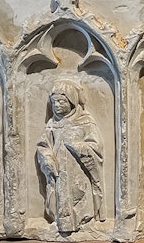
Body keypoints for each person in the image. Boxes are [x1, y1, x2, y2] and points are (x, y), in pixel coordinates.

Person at [36, 80, 105, 233]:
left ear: (72, 101)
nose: (57, 105)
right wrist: (47, 158)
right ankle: (62, 224)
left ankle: (84, 223)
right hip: (59, 171)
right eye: (54, 102)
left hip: (78, 171)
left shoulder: (85, 121)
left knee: (79, 196)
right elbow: (43, 145)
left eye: (62, 101)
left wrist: (78, 147)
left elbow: (96, 147)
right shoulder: (52, 124)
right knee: (61, 197)